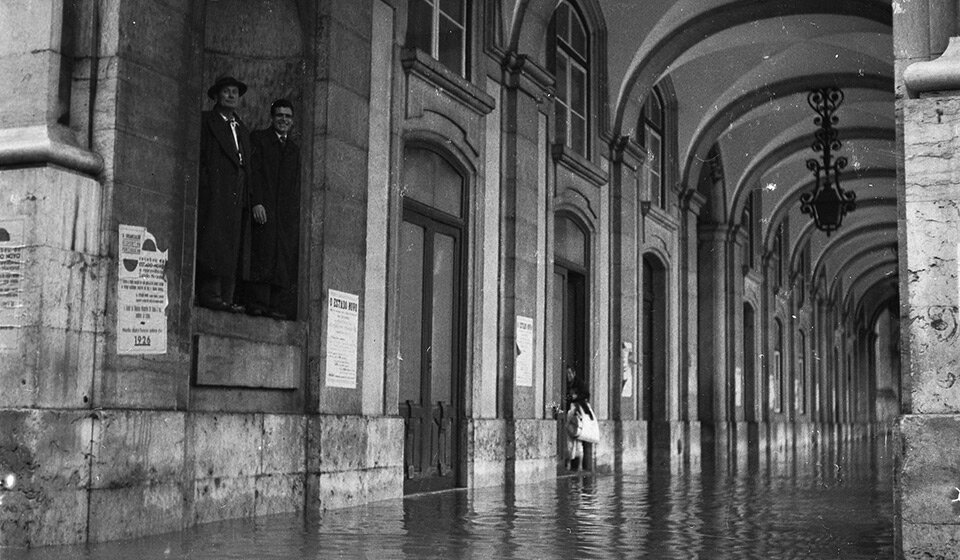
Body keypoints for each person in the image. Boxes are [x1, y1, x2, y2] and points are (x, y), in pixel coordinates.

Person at [196, 75, 251, 313]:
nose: (231, 96)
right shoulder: (207, 121)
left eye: (235, 92)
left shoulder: (241, 128)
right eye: (226, 91)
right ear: (216, 96)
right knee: (213, 242)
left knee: (232, 243)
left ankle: (227, 297)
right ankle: (210, 294)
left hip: (236, 193)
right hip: (215, 191)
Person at [245, 99, 301, 320]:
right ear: (272, 118)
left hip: (284, 213)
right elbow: (254, 172)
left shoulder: (294, 150)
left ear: (292, 121)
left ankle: (276, 305)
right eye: (280, 116)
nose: (284, 120)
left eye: (288, 117)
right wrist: (256, 201)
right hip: (264, 208)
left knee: (282, 257)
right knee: (262, 253)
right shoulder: (259, 139)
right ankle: (258, 302)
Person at [565, 365, 591, 471]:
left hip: (579, 412)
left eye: (570, 373)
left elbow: (586, 394)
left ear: (574, 373)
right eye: (567, 374)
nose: (568, 376)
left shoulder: (579, 383)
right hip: (569, 413)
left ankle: (580, 465)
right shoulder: (566, 384)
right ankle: (568, 463)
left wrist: (576, 397)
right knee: (568, 440)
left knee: (578, 437)